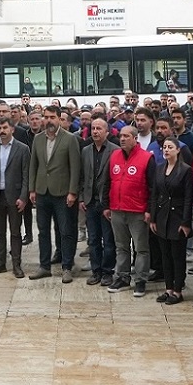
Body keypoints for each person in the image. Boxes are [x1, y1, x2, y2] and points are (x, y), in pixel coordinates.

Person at [28, 105, 82, 281]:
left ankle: (67, 266)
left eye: (52, 117)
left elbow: (75, 167)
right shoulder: (38, 139)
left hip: (63, 192)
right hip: (42, 192)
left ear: (59, 119)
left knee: (66, 230)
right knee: (43, 231)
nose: (48, 120)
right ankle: (44, 266)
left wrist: (73, 192)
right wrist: (32, 189)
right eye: (46, 116)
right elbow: (33, 166)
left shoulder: (69, 139)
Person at [104, 122, 154, 296]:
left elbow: (152, 187)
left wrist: (149, 209)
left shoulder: (146, 157)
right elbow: (108, 182)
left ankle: (140, 280)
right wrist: (106, 205)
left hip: (138, 210)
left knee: (141, 248)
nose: (122, 139)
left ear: (135, 138)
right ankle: (122, 277)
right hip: (117, 209)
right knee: (121, 246)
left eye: (126, 136)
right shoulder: (114, 156)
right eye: (121, 136)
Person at [0, 118, 31, 277]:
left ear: (12, 130)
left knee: (15, 232)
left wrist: (23, 197)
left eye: (5, 128)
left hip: (14, 196)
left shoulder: (23, 149)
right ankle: (0, 262)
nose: (2, 131)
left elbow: (26, 176)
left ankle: (16, 264)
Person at [149, 137, 193, 305]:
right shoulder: (159, 168)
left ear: (177, 150)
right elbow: (155, 194)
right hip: (162, 217)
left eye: (170, 147)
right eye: (164, 148)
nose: (166, 150)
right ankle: (168, 288)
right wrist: (153, 218)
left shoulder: (185, 170)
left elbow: (189, 197)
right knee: (165, 255)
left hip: (177, 217)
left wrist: (186, 222)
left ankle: (177, 290)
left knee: (177, 255)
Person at [79, 117, 115, 287]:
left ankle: (108, 272)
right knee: (93, 239)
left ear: (107, 132)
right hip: (90, 202)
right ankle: (96, 271)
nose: (95, 131)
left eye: (99, 128)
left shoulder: (114, 151)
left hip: (106, 203)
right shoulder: (85, 151)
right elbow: (81, 176)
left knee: (108, 240)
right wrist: (81, 197)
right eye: (93, 128)